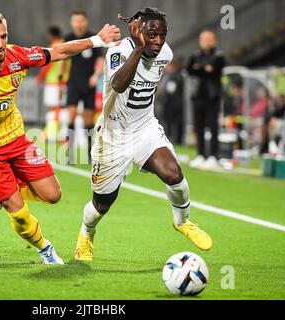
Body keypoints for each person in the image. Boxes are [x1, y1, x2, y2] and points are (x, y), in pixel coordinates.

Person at [0, 9, 120, 264]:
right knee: (16, 211)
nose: (0, 44)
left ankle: (2, 191)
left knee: (53, 195)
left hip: (16, 138)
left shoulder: (17, 56)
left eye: (3, 36)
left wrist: (97, 40)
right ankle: (44, 248)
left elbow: (58, 51)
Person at [74, 8, 213, 261]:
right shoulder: (118, 51)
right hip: (112, 137)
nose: (158, 41)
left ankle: (182, 222)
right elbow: (118, 84)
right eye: (152, 34)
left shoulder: (166, 53)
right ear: (137, 32)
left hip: (144, 128)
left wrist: (146, 47)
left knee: (174, 174)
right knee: (101, 204)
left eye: (163, 35)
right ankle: (87, 233)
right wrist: (138, 49)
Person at [65, 10, 104, 164]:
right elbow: (63, 59)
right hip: (73, 82)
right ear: (72, 22)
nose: (78, 23)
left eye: (81, 20)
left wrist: (96, 75)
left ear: (85, 22)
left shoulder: (93, 38)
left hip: (89, 83)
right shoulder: (68, 38)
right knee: (71, 115)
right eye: (75, 21)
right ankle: (69, 153)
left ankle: (89, 154)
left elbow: (100, 59)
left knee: (89, 119)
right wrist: (62, 79)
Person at [187, 30, 225, 170]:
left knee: (213, 127)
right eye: (203, 39)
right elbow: (190, 70)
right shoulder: (195, 55)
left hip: (212, 97)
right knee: (199, 126)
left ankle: (213, 156)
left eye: (208, 39)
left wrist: (201, 69)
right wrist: (205, 69)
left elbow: (215, 72)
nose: (205, 42)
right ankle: (201, 154)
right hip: (198, 96)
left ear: (214, 41)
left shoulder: (219, 56)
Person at [36, 25, 70, 143]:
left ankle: (51, 134)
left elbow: (47, 66)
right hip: (64, 81)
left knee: (55, 109)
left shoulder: (54, 47)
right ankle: (56, 133)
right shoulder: (67, 46)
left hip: (54, 82)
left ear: (50, 35)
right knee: (60, 108)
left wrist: (40, 78)